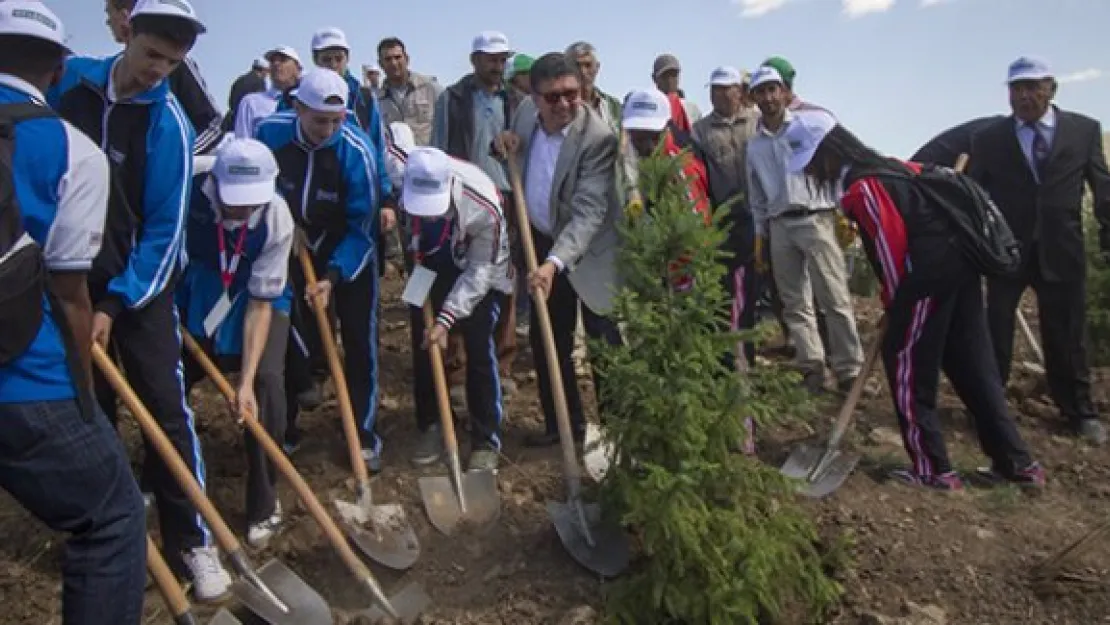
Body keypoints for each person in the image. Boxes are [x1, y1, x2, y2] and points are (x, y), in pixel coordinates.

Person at [48, 0, 233, 598]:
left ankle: (192, 540)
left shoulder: (168, 125)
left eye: (172, 62)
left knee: (163, 409)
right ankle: (104, 530)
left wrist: (114, 304)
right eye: (152, 54)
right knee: (88, 411)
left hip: (141, 288)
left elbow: (163, 235)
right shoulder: (70, 84)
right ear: (127, 32)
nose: (158, 69)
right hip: (68, 277)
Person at [787, 107, 1046, 490]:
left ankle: (932, 469)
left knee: (907, 366)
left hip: (927, 279)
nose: (810, 173)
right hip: (960, 271)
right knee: (974, 367)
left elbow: (893, 254)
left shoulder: (864, 187)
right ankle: (1018, 463)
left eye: (810, 163)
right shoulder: (895, 167)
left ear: (829, 151)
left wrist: (895, 306)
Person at [0, 4, 146, 622]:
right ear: (59, 68)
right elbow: (67, 291)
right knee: (113, 516)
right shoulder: (72, 150)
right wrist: (85, 396)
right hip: (23, 380)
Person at [968, 56, 1110, 446]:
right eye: (1017, 89)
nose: (1025, 96)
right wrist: (971, 241)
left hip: (1061, 248)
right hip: (1007, 250)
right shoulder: (990, 138)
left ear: (1052, 89)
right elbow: (973, 194)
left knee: (1067, 333)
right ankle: (989, 408)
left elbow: (1103, 188)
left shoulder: (1083, 131)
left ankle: (1079, 411)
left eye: (1033, 87)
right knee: (995, 330)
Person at [253, 69, 387, 472]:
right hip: (289, 240)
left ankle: (362, 433)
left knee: (360, 341)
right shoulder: (269, 134)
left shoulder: (356, 152)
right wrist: (283, 219)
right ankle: (287, 427)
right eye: (318, 120)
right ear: (298, 108)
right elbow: (261, 184)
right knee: (290, 337)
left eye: (336, 120)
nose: (327, 129)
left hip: (347, 247)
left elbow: (361, 230)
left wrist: (332, 277)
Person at [495, 52, 623, 446]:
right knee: (549, 335)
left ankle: (620, 431)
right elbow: (508, 150)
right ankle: (563, 427)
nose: (566, 103)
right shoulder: (522, 118)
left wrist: (553, 264)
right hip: (542, 242)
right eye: (553, 97)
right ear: (534, 97)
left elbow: (587, 215)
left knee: (603, 341)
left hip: (591, 251)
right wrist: (501, 144)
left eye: (573, 93)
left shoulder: (597, 138)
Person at [178, 138, 294, 547]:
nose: (244, 209)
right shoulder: (185, 184)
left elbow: (262, 305)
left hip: (255, 295)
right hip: (197, 287)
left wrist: (243, 383)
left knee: (266, 382)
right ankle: (164, 476)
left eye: (252, 201)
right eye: (235, 200)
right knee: (167, 377)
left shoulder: (276, 215)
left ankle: (264, 501)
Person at [746, 65, 864, 394]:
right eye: (762, 92)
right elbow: (756, 194)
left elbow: (836, 167)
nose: (769, 98)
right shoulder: (755, 146)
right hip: (779, 223)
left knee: (834, 296)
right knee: (794, 301)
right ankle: (811, 365)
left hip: (816, 217)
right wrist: (760, 234)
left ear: (784, 92)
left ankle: (848, 367)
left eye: (774, 90)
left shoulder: (809, 127)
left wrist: (843, 210)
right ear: (754, 98)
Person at [398, 147, 512, 470]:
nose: (429, 214)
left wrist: (446, 320)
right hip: (428, 263)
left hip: (480, 267)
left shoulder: (483, 204)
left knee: (478, 342)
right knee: (425, 342)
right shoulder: (403, 179)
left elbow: (480, 272)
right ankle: (432, 422)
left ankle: (485, 437)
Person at [691, 66, 760, 369]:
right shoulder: (701, 130)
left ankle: (749, 355)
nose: (718, 94)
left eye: (724, 88)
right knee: (724, 292)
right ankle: (726, 359)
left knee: (753, 292)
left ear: (739, 91)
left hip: (759, 216)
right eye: (714, 89)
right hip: (723, 221)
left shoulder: (756, 123)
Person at [103, 0, 223, 155]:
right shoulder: (93, 74)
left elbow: (211, 124)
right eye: (152, 55)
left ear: (126, 16)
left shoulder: (180, 67)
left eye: (109, 12)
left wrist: (176, 155)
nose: (161, 68)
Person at [376, 37, 443, 147]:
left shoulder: (431, 89)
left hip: (429, 159)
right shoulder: (376, 100)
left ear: (406, 59)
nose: (393, 63)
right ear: (380, 64)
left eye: (398, 57)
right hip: (396, 161)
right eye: (388, 59)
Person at [234, 46, 303, 139]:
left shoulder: (307, 101)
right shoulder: (251, 102)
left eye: (283, 60)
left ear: (298, 68)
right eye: (272, 61)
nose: (276, 64)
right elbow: (243, 142)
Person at [225, 57, 269, 132]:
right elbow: (261, 106)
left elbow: (230, 102)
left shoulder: (239, 80)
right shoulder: (259, 82)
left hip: (230, 122)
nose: (267, 75)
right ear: (263, 70)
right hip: (245, 125)